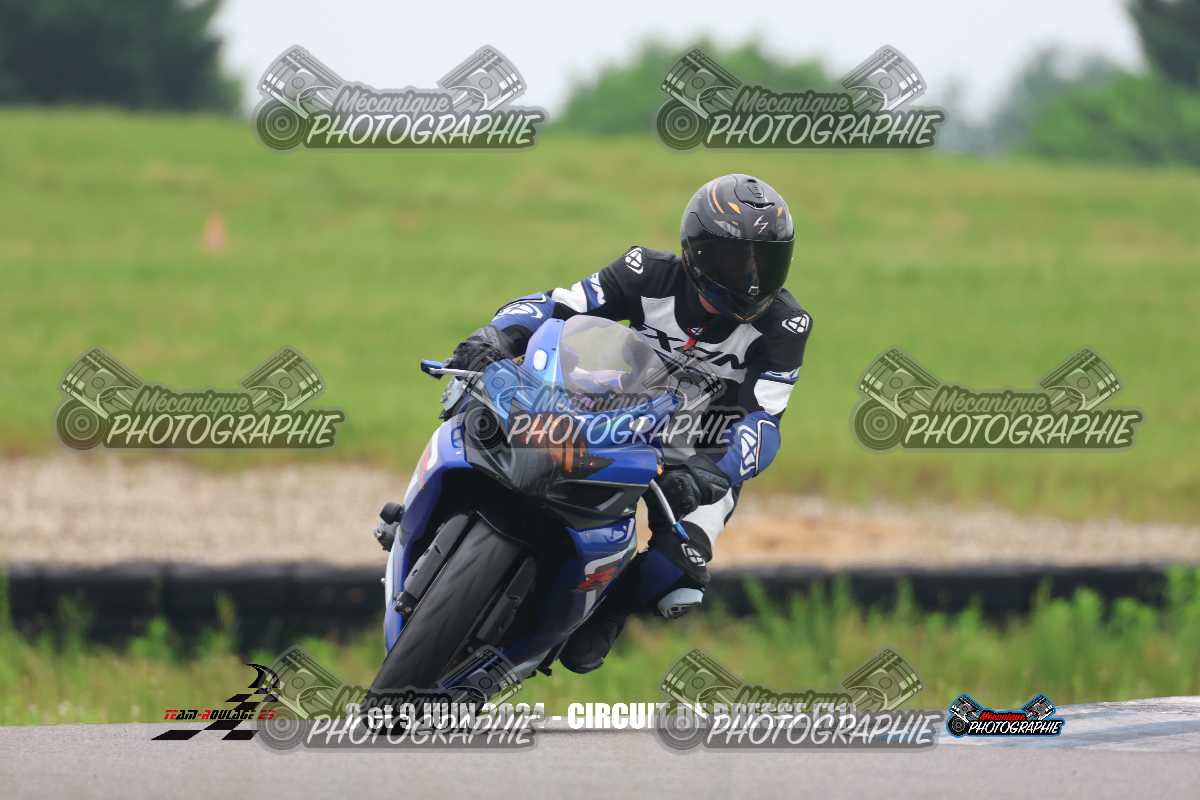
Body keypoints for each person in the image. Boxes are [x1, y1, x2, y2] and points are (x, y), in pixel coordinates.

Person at [444, 173, 813, 673]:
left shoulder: (786, 326)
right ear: (697, 251)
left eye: (766, 262)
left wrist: (712, 473)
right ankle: (435, 507)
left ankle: (604, 613)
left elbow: (764, 421)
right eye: (736, 260)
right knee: (483, 400)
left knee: (681, 568)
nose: (752, 279)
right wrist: (496, 335)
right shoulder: (645, 271)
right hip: (614, 404)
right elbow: (560, 303)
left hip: (701, 446)